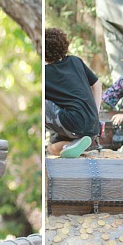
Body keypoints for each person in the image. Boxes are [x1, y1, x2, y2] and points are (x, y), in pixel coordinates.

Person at [44, 28, 102, 158]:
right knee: (51, 148)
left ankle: (70, 144)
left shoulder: (46, 73)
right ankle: (72, 144)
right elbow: (97, 85)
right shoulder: (76, 61)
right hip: (93, 127)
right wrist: (95, 113)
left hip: (73, 122)